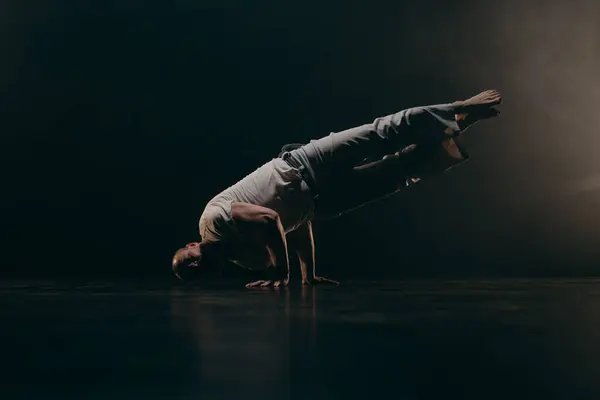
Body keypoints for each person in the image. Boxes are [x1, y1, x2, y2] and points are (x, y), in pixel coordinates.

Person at [172, 90, 502, 287]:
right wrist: (307, 274)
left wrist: (279, 270)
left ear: (191, 244)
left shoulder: (212, 223)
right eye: (192, 274)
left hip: (305, 165)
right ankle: (458, 125)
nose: (195, 266)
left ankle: (456, 107)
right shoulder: (248, 261)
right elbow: (294, 228)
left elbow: (269, 220)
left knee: (382, 133)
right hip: (320, 202)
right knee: (397, 174)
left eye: (186, 261)